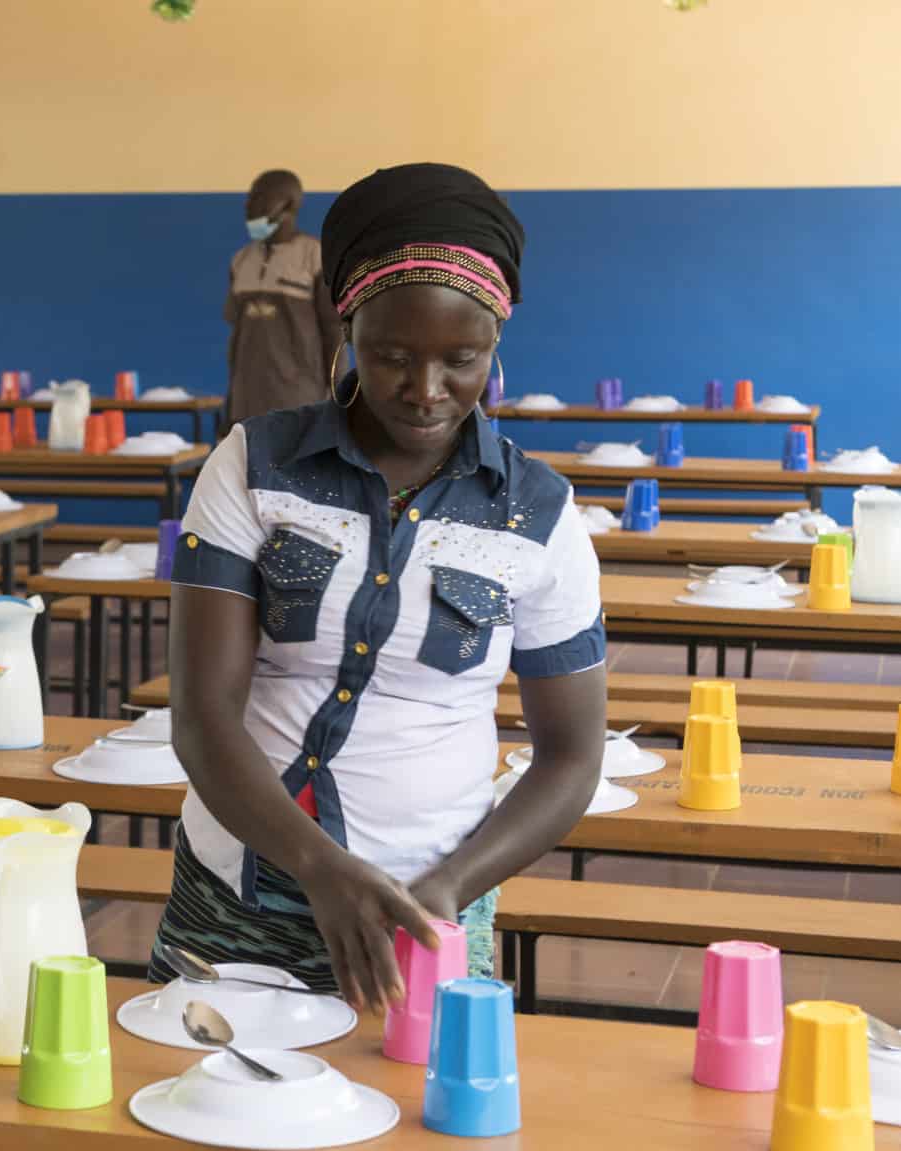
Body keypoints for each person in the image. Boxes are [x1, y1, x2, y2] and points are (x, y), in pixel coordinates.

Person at [154, 164, 607, 1009]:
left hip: (426, 907)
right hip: (237, 893)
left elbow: (574, 755)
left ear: (496, 346)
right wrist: (319, 865)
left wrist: (451, 886)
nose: (427, 390)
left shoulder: (538, 514)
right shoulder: (254, 464)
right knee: (203, 1109)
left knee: (414, 1126)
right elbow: (202, 716)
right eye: (392, 356)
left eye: (461, 359)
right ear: (347, 327)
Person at [225, 169, 344, 424]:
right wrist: (230, 400)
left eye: (259, 197)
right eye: (249, 198)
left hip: (300, 401)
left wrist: (339, 398)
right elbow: (237, 338)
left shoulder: (316, 257)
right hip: (247, 404)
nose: (248, 206)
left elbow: (334, 331)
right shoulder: (241, 260)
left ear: (287, 204)